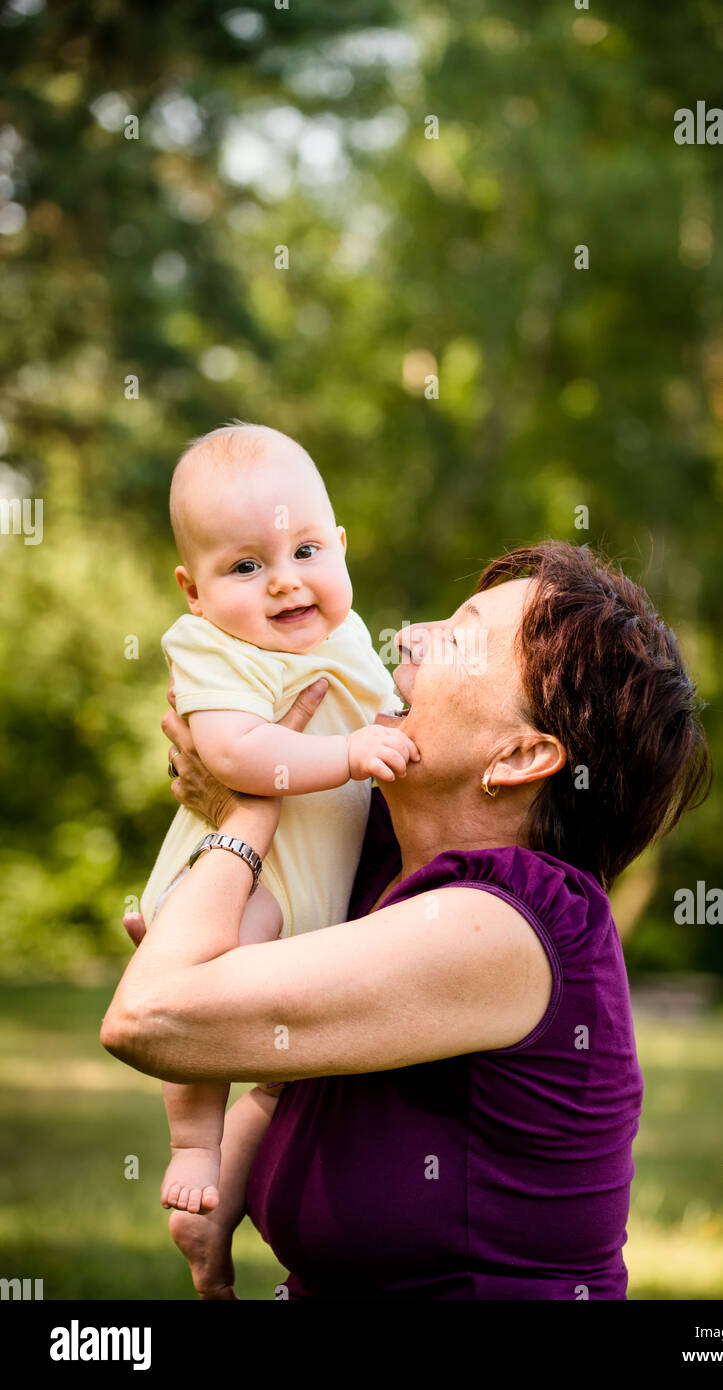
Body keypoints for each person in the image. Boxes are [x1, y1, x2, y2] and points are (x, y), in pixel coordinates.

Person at [103, 540, 711, 1300]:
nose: (409, 634)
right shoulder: (384, 866)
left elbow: (149, 1015)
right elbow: (243, 1045)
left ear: (520, 755)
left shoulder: (509, 925)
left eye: (457, 633)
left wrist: (245, 809)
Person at [138, 422, 417, 1216]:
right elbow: (233, 755)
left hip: (319, 889)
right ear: (194, 591)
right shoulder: (208, 648)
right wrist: (356, 754)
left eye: (304, 553)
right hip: (236, 881)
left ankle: (224, 1217)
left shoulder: (350, 636)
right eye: (246, 566)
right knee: (215, 991)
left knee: (288, 1069)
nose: (284, 583)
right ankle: (194, 1141)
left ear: (339, 547)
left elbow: (387, 715)